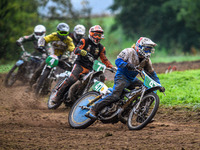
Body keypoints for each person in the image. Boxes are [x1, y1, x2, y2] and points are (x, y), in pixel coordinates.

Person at [87, 37, 165, 119]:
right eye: (146, 49)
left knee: (146, 91)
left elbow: (152, 74)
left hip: (132, 80)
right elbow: (117, 61)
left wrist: (158, 85)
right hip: (121, 77)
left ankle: (142, 115)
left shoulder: (147, 60)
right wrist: (127, 65)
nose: (148, 52)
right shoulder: (129, 51)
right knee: (115, 96)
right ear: (139, 47)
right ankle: (94, 109)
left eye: (150, 50)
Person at [51, 25, 116, 103]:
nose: (97, 37)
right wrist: (80, 51)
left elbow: (104, 59)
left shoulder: (101, 48)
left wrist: (111, 67)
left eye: (99, 35)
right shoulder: (84, 41)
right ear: (91, 34)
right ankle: (57, 96)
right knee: (72, 79)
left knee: (100, 78)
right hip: (80, 65)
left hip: (91, 69)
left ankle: (86, 99)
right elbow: (75, 50)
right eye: (96, 34)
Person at [29, 22, 75, 89]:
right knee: (39, 70)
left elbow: (72, 49)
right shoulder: (54, 35)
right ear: (57, 32)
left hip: (62, 58)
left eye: (65, 33)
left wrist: (72, 59)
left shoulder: (69, 40)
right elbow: (43, 39)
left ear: (67, 33)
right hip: (52, 56)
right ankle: (30, 85)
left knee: (70, 71)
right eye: (61, 32)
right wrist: (41, 45)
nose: (63, 35)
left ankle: (60, 88)